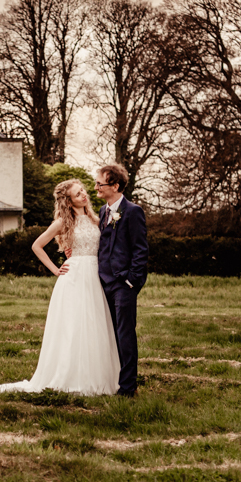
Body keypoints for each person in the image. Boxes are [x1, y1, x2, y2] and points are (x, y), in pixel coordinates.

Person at [0, 179, 120, 396]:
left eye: (83, 191)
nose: (84, 196)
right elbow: (37, 245)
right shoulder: (62, 222)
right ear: (68, 201)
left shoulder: (96, 218)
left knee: (95, 324)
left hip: (95, 276)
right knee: (73, 327)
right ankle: (70, 376)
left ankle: (99, 377)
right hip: (74, 276)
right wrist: (55, 269)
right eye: (78, 195)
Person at [93, 165, 148, 397]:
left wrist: (131, 281)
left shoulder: (133, 211)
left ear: (115, 186)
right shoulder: (102, 212)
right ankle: (110, 379)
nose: (95, 187)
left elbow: (140, 250)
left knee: (125, 334)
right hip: (101, 283)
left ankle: (128, 387)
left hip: (122, 284)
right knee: (108, 334)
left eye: (100, 184)